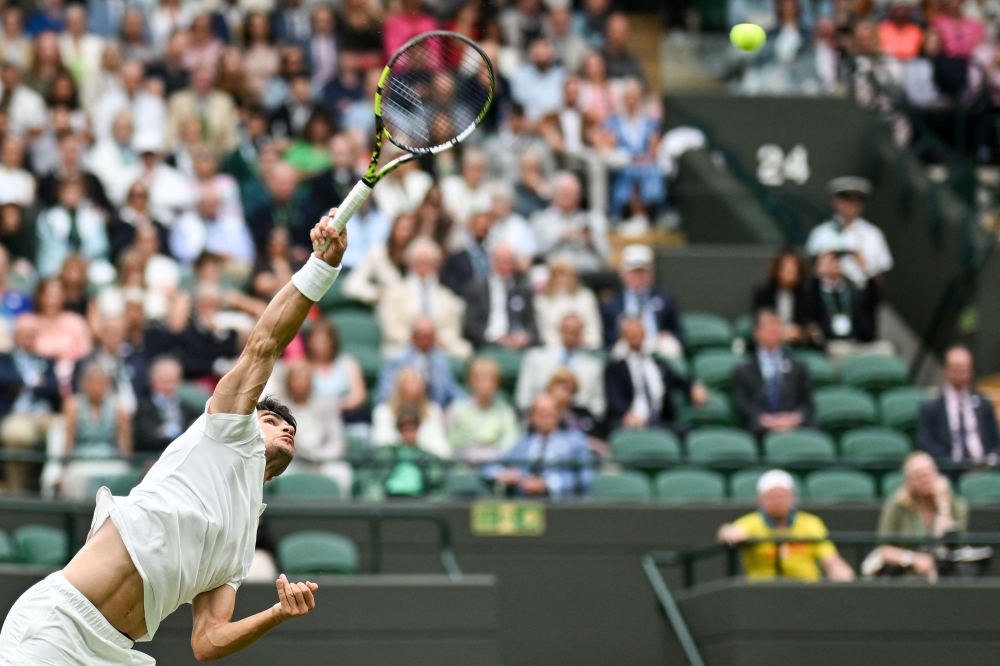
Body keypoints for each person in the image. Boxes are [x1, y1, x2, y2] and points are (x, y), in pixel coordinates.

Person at [0, 209, 346, 662]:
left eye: (291, 427)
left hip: (114, 652)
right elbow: (265, 342)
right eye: (271, 420)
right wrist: (321, 267)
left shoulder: (241, 542)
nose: (286, 427)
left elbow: (208, 641)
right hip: (55, 626)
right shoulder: (227, 432)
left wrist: (277, 613)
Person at [718, 469, 855, 581]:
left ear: (793, 497)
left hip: (808, 593)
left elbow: (832, 562)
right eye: (772, 497)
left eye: (783, 496)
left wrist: (846, 580)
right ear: (761, 499)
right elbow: (727, 532)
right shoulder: (751, 523)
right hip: (763, 594)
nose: (778, 501)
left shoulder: (811, 523)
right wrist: (728, 532)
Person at [873, 452, 968, 579]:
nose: (925, 479)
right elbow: (885, 550)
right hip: (907, 576)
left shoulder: (956, 505)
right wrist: (913, 559)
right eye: (918, 475)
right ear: (908, 481)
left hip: (947, 575)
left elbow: (950, 541)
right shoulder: (897, 505)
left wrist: (943, 504)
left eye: (929, 473)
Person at [482, 393, 594, 499]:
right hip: (526, 504)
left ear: (558, 415)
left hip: (562, 506)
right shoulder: (522, 444)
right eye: (541, 414)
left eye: (550, 414)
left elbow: (585, 479)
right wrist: (504, 474)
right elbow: (488, 466)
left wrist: (548, 484)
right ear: (532, 417)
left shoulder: (575, 442)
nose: (546, 419)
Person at [605, 317, 706, 432]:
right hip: (630, 421)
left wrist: (693, 386)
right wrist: (627, 414)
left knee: (688, 431)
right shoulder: (615, 368)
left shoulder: (658, 364)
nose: (634, 336)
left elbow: (679, 379)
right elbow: (614, 398)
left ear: (644, 333)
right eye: (630, 333)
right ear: (623, 336)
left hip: (659, 421)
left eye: (637, 332)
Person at [378, 237, 472, 360]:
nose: (425, 267)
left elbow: (452, 330)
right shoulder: (395, 292)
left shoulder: (446, 297)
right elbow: (391, 328)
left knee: (465, 350)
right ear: (411, 263)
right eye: (420, 262)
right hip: (405, 345)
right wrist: (417, 339)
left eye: (429, 263)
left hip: (439, 346)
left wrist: (436, 341)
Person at [268, 359, 351, 494]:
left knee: (343, 473)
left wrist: (319, 457)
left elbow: (337, 441)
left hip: (323, 461)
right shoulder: (279, 408)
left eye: (304, 378)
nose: (301, 383)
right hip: (292, 461)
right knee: (275, 475)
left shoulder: (327, 404)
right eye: (296, 378)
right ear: (289, 381)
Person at [0, 316, 62, 492]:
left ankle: (51, 484)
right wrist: (33, 383)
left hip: (45, 414)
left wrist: (24, 385)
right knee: (18, 435)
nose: (27, 337)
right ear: (15, 335)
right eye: (23, 333)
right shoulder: (4, 359)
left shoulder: (45, 361)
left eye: (31, 333)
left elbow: (53, 387)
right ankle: (17, 491)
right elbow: (4, 379)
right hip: (17, 413)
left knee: (62, 429)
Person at [733, 309, 815, 439]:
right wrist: (765, 420)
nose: (774, 330)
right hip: (759, 433)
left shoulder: (798, 367)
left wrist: (794, 418)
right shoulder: (743, 371)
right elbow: (743, 406)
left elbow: (807, 404)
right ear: (756, 333)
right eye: (768, 326)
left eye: (777, 325)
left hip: (795, 430)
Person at [61, 363, 133, 501]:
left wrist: (126, 466)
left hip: (109, 458)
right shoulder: (73, 406)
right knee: (75, 477)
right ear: (85, 384)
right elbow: (68, 441)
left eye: (101, 383)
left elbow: (125, 442)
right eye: (93, 383)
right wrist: (63, 470)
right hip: (82, 458)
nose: (97, 388)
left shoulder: (118, 408)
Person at [805, 177, 894, 289]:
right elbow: (807, 271)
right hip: (826, 294)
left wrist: (865, 266)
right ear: (835, 202)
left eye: (854, 202)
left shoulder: (874, 235)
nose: (849, 206)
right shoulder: (820, 233)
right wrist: (822, 265)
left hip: (862, 293)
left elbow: (880, 274)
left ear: (861, 205)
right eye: (845, 201)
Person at [917, 345, 1000, 464]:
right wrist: (953, 463)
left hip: (984, 466)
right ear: (945, 370)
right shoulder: (931, 407)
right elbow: (926, 444)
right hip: (949, 468)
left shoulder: (983, 403)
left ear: (971, 372)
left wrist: (992, 458)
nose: (960, 374)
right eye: (955, 369)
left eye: (964, 370)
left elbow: (996, 441)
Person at [517, 313, 606, 421]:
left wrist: (573, 406)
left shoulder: (593, 367)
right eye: (568, 330)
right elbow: (523, 400)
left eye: (576, 332)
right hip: (540, 421)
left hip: (578, 423)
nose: (571, 335)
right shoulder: (536, 359)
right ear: (560, 330)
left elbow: (598, 407)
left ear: (582, 333)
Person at [601, 244, 683, 354]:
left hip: (656, 342)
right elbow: (608, 338)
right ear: (623, 274)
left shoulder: (664, 297)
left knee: (670, 347)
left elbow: (679, 332)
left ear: (651, 274)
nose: (638, 277)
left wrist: (669, 336)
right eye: (633, 272)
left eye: (642, 272)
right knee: (620, 350)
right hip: (628, 345)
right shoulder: (611, 302)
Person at [462, 243, 539, 350]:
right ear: (492, 261)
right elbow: (471, 327)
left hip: (519, 347)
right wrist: (495, 339)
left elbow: (532, 325)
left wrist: (525, 338)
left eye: (509, 261)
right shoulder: (477, 289)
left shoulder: (522, 289)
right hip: (488, 345)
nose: (506, 265)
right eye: (502, 261)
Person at [531, 171, 610, 276]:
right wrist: (561, 237)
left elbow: (606, 256)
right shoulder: (540, 220)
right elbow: (536, 254)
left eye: (573, 193)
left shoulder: (592, 219)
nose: (569, 197)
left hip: (588, 274)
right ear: (554, 194)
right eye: (565, 193)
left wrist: (591, 241)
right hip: (555, 276)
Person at [376, 316, 465, 408]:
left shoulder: (441, 361)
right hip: (403, 411)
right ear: (413, 336)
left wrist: (464, 405)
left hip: (435, 411)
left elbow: (453, 391)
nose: (427, 341)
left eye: (430, 337)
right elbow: (384, 394)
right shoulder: (397, 360)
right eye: (423, 336)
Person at [447, 358, 519, 463]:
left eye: (490, 379)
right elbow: (452, 442)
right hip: (464, 463)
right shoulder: (457, 410)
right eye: (480, 379)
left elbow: (510, 443)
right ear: (471, 382)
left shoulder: (506, 412)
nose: (485, 384)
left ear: (497, 383)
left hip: (496, 463)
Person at [371, 366, 450, 459]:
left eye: (415, 382)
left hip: (426, 461)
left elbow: (441, 449)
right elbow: (381, 445)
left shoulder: (433, 411)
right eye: (407, 382)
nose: (412, 386)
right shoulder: (383, 412)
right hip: (394, 462)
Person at [133, 356, 199, 455]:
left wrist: (162, 432)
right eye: (166, 381)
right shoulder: (143, 408)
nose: (170, 386)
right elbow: (147, 438)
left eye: (174, 381)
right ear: (153, 381)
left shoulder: (187, 408)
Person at [535, 255, 603, 350]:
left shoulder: (586, 297)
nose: (562, 279)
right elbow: (545, 331)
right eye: (558, 275)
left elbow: (594, 328)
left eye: (566, 275)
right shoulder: (542, 300)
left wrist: (585, 342)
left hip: (584, 348)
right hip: (554, 349)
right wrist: (564, 345)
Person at [752, 249, 815, 347]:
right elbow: (758, 322)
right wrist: (779, 333)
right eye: (786, 269)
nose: (790, 273)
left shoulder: (806, 295)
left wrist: (800, 332)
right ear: (777, 270)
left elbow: (809, 325)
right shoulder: (763, 294)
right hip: (769, 345)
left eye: (793, 269)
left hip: (797, 346)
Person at [510, 37, 566, 122]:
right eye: (538, 55)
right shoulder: (520, 76)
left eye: (544, 55)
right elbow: (519, 103)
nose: (542, 59)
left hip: (554, 121)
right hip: (528, 122)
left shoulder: (561, 75)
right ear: (530, 55)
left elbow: (562, 104)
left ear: (552, 56)